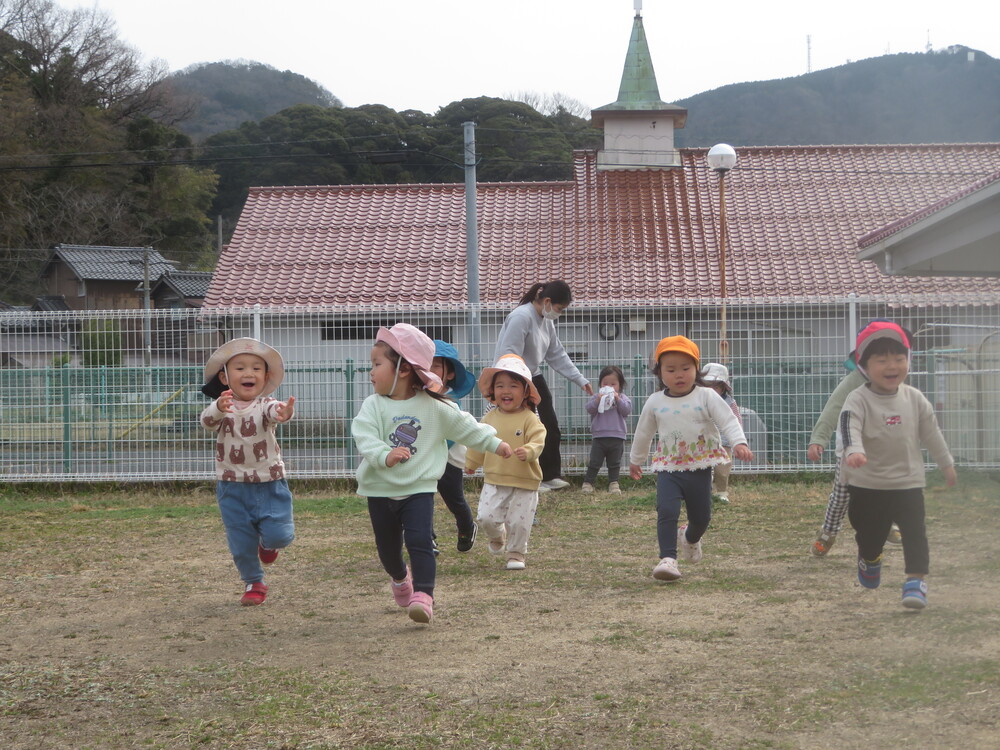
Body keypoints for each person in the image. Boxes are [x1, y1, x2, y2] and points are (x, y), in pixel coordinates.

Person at [351, 323, 512, 624]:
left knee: (420, 541)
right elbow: (364, 436)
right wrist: (385, 455)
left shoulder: (436, 406)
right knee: (387, 551)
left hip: (419, 488)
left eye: (376, 364)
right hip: (379, 489)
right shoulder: (373, 405)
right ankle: (400, 578)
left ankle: (424, 596)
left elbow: (467, 427)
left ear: (402, 369)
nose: (370, 372)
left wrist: (495, 443)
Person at [840, 320, 957, 610]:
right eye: (882, 360)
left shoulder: (915, 399)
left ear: (908, 361)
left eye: (899, 358)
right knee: (870, 535)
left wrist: (946, 463)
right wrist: (853, 450)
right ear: (865, 366)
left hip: (908, 482)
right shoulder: (858, 399)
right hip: (868, 484)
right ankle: (870, 558)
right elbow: (848, 427)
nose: (892, 365)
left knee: (916, 533)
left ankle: (915, 581)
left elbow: (932, 433)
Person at [629, 336, 752, 582]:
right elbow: (643, 432)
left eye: (686, 368)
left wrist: (739, 442)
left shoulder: (706, 396)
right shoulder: (655, 401)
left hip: (700, 466)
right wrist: (636, 460)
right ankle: (668, 559)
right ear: (660, 373)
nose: (679, 375)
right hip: (669, 468)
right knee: (666, 510)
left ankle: (690, 537)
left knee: (702, 517)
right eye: (671, 369)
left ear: (696, 369)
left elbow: (728, 419)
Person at [199, 338, 296, 606]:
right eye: (240, 368)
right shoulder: (223, 406)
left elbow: (275, 412)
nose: (248, 373)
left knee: (281, 534)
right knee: (241, 541)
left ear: (265, 377)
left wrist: (284, 412)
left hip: (270, 482)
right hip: (232, 486)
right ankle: (254, 581)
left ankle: (268, 544)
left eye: (256, 368)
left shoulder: (265, 404)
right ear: (225, 376)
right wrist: (218, 407)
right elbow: (206, 421)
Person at [808, 326, 902, 557]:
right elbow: (833, 408)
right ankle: (828, 533)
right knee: (842, 495)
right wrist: (819, 439)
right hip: (850, 450)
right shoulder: (854, 381)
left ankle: (887, 525)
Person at [494, 280, 593, 491]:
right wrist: (514, 387)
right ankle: (527, 479)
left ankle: (549, 475)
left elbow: (556, 354)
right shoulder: (521, 317)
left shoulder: (546, 321)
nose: (560, 314)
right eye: (559, 309)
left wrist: (580, 380)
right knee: (523, 430)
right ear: (547, 301)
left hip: (533, 375)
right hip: (512, 377)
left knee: (549, 426)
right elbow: (509, 352)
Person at [465, 354, 547, 570]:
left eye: (513, 385)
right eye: (500, 386)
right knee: (486, 516)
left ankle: (516, 553)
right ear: (493, 391)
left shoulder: (530, 418)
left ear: (525, 392)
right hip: (495, 477)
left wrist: (529, 450)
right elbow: (478, 441)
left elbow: (539, 440)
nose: (506, 391)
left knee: (519, 522)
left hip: (526, 480)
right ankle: (497, 536)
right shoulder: (489, 418)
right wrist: (472, 462)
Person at [430, 339, 479, 553]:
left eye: (436, 366)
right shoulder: (415, 396)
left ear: (449, 374)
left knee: (455, 500)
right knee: (423, 498)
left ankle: (467, 527)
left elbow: (451, 433)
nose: (429, 370)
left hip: (449, 458)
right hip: (425, 457)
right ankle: (427, 538)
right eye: (424, 365)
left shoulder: (451, 400)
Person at [582, 365, 632, 495]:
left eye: (613, 384)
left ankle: (614, 483)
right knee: (594, 461)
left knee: (614, 463)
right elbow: (589, 409)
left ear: (620, 385)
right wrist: (598, 399)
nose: (609, 386)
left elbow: (626, 410)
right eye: (605, 383)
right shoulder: (596, 398)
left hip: (617, 436)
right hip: (599, 436)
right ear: (600, 384)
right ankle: (588, 483)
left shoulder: (623, 398)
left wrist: (617, 398)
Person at [701, 363, 742, 504]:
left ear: (724, 387)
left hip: (723, 440)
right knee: (702, 467)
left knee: (722, 468)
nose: (712, 389)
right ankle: (703, 492)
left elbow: (735, 420)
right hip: (702, 440)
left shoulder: (729, 402)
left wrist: (737, 441)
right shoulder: (699, 400)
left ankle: (721, 492)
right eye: (708, 385)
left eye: (716, 386)